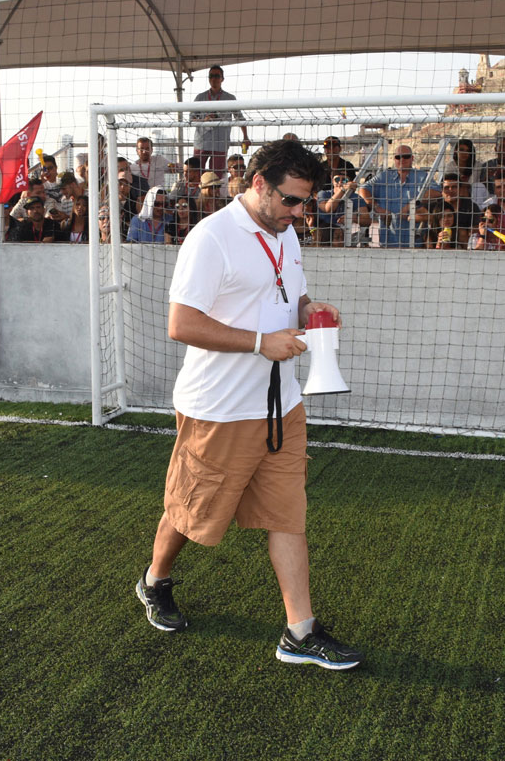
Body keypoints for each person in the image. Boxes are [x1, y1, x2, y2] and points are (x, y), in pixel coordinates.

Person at [135, 138, 362, 670]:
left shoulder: (286, 231)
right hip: (219, 409)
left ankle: (299, 631)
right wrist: (261, 343)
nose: (299, 212)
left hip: (282, 405)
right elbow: (181, 324)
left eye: (305, 201)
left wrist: (312, 309)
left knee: (288, 516)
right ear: (258, 184)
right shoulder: (211, 238)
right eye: (291, 200)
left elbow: (289, 296)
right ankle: (155, 580)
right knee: (190, 512)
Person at [358, 145, 434, 248]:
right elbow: (363, 189)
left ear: (412, 158)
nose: (402, 159)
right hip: (388, 242)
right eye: (398, 157)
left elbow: (437, 192)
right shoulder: (384, 177)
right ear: (394, 159)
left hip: (416, 243)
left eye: (406, 156)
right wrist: (377, 208)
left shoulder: (422, 176)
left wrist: (412, 204)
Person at [191, 65, 250, 171]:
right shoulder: (200, 97)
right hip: (202, 142)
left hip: (220, 143)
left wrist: (245, 137)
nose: (214, 79)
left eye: (217, 76)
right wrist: (204, 121)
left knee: (216, 176)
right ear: (208, 78)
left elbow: (240, 118)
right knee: (196, 173)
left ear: (222, 79)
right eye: (211, 76)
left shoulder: (230, 98)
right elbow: (191, 119)